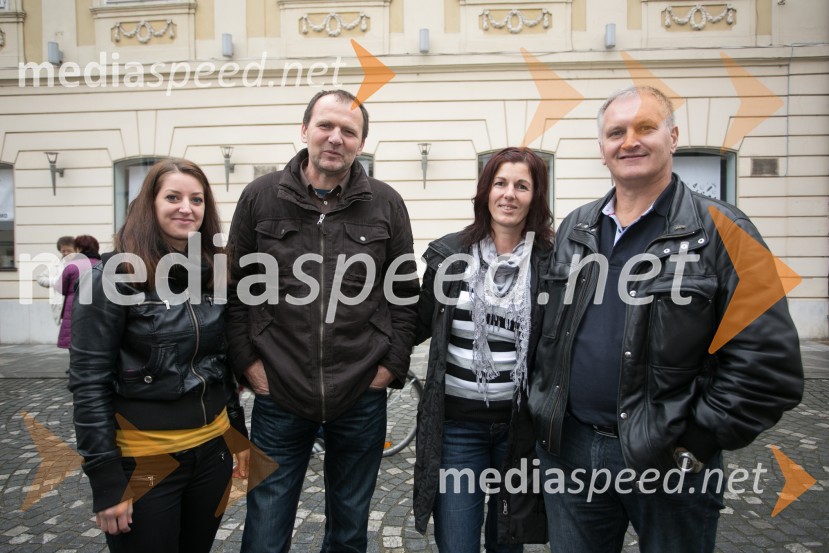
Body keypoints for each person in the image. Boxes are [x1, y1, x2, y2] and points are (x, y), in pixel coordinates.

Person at [528, 85, 804, 552]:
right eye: (616, 132)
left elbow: (768, 367)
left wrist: (693, 439)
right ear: (602, 150)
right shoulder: (577, 228)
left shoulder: (725, 231)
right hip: (570, 455)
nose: (629, 141)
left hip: (671, 461)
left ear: (672, 136)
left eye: (645, 128)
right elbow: (549, 339)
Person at [226, 89, 419, 552]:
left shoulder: (386, 204)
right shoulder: (260, 197)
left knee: (350, 530)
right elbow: (235, 289)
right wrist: (248, 364)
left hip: (360, 394)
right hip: (279, 395)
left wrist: (388, 368)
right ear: (305, 130)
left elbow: (405, 296)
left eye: (348, 131)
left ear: (361, 142)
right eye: (326, 126)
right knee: (265, 532)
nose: (335, 138)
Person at [68, 159, 249, 553]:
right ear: (149, 204)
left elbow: (221, 367)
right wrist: (106, 482)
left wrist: (239, 439)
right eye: (173, 197)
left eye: (197, 199)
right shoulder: (110, 279)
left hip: (212, 456)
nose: (187, 207)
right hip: (146, 461)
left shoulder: (214, 275)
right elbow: (88, 384)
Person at [413, 147, 552, 552]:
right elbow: (416, 323)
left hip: (519, 429)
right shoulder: (450, 256)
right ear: (485, 192)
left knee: (507, 541)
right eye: (500, 183)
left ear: (535, 196)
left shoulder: (554, 262)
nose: (509, 194)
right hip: (457, 429)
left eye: (521, 186)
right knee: (457, 542)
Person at [55, 235, 101, 349]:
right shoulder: (103, 265)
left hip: (74, 308)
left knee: (75, 344)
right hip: (99, 308)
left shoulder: (72, 266)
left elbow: (60, 288)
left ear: (78, 249)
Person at [37, 235, 76, 324]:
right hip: (62, 307)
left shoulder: (82, 263)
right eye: (63, 251)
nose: (66, 253)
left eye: (69, 250)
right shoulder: (56, 265)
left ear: (75, 249)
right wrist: (56, 281)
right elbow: (40, 278)